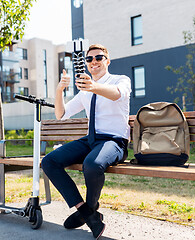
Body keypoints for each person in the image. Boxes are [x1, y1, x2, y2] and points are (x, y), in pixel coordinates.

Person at [41, 44, 131, 239]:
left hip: (114, 141)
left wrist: (94, 86)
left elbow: (117, 93)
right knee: (49, 162)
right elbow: (61, 114)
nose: (93, 62)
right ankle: (87, 212)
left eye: (98, 58)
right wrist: (60, 90)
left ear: (107, 61)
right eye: (89, 60)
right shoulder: (85, 91)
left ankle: (90, 208)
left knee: (92, 164)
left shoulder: (121, 80)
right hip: (91, 140)